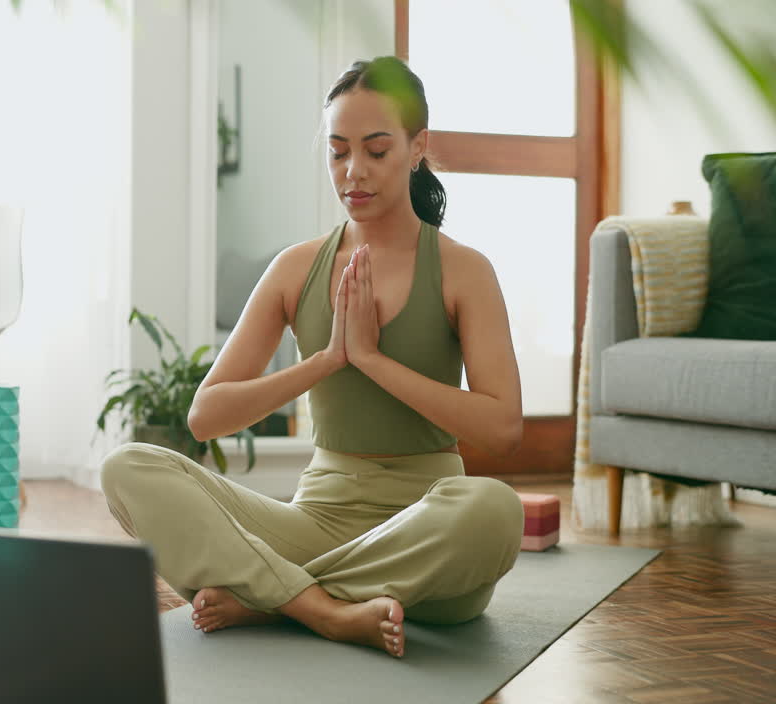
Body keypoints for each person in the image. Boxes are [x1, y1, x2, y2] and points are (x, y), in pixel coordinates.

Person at [100, 56, 524, 659]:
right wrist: (326, 360)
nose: (354, 171)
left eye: (377, 150)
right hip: (312, 525)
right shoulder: (296, 268)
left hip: (427, 533)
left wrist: (373, 361)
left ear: (417, 147)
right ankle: (324, 610)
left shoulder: (464, 270)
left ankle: (270, 598)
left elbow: (503, 428)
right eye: (338, 152)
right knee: (128, 467)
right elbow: (206, 417)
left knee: (494, 511)